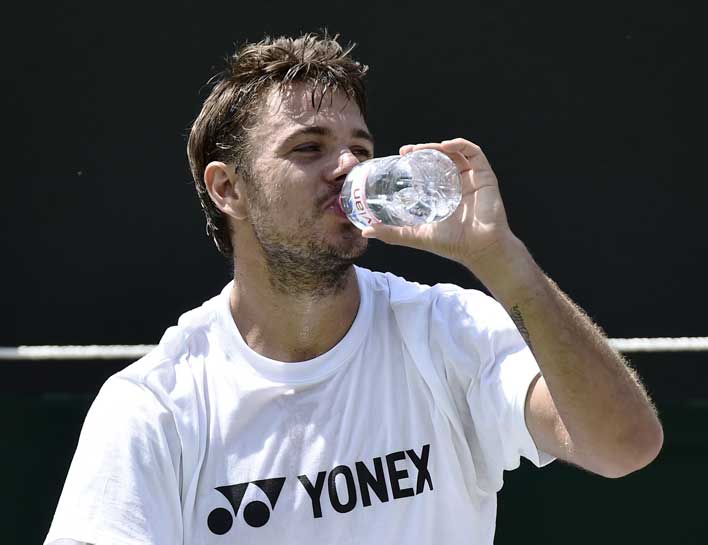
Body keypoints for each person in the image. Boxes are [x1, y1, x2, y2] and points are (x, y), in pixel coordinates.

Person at [45, 32, 663, 545]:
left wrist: (505, 261)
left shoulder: (447, 330)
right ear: (227, 188)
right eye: (309, 148)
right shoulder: (154, 405)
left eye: (359, 148)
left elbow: (624, 448)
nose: (348, 168)